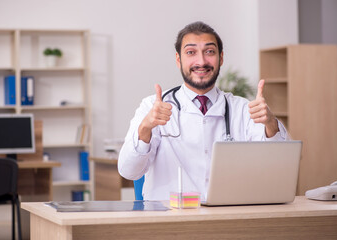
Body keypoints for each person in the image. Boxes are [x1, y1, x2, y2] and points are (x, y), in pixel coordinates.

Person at [118, 21, 289, 201]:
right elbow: (129, 171)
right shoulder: (152, 106)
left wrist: (270, 123)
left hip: (228, 216)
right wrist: (146, 128)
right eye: (191, 52)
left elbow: (280, 168)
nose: (201, 61)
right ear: (179, 60)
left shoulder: (243, 109)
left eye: (209, 52)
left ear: (221, 58)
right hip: (169, 219)